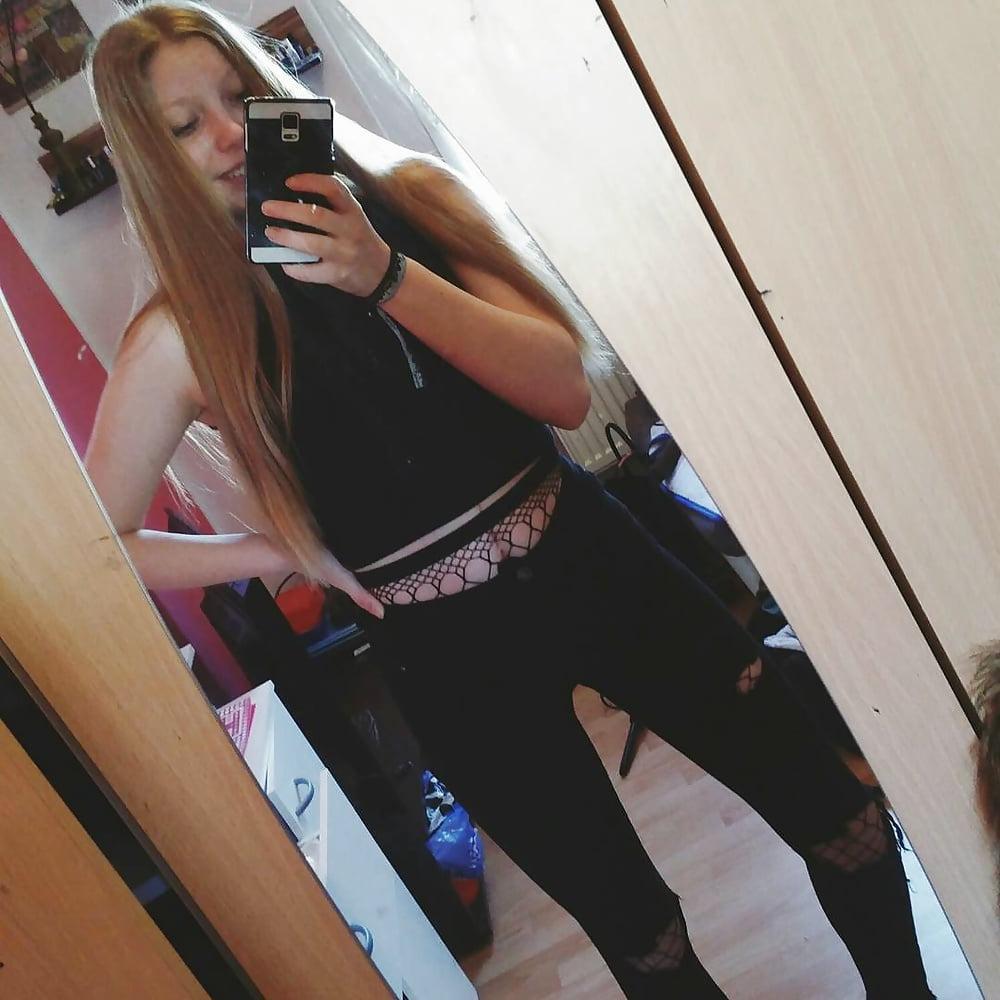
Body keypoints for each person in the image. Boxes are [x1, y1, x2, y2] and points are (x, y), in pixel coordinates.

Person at [83, 3, 934, 996]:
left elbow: (563, 389)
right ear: (151, 159)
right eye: (185, 126)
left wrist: (384, 274)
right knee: (643, 936)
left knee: (843, 817)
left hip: (592, 557)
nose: (230, 136)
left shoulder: (413, 197)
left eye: (238, 97)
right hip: (447, 658)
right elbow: (101, 544)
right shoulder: (182, 333)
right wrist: (279, 550)